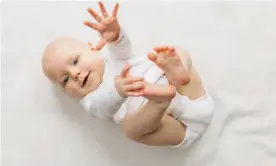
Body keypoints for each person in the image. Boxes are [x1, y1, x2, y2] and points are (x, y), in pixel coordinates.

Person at [42, 1, 214, 148]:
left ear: (92, 48)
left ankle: (176, 74)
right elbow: (104, 107)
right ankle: (160, 101)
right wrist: (118, 91)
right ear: (66, 92)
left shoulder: (114, 58)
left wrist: (115, 34)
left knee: (175, 51)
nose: (75, 73)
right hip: (176, 127)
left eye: (75, 61)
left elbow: (121, 46)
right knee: (131, 130)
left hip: (189, 93)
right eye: (65, 80)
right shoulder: (91, 101)